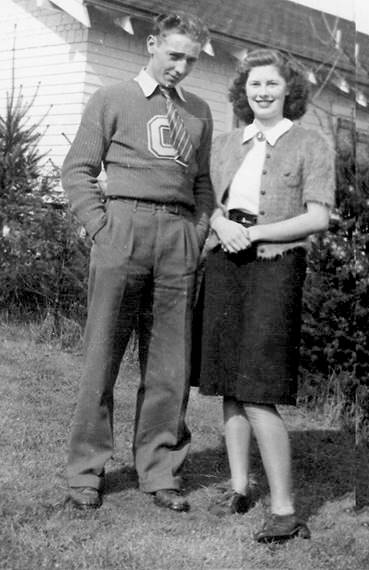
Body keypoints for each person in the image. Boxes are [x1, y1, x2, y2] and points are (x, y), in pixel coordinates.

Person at [61, 11, 213, 512]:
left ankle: (160, 471)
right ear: (151, 44)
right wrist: (101, 226)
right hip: (122, 229)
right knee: (101, 357)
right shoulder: (111, 98)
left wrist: (198, 230)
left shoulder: (199, 113)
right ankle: (86, 472)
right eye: (174, 55)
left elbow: (203, 183)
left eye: (190, 60)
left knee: (170, 365)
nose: (181, 67)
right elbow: (79, 170)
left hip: (178, 238)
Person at [198, 48, 335, 541]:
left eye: (271, 85)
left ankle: (284, 510)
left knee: (258, 389)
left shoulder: (311, 144)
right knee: (229, 384)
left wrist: (253, 234)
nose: (262, 92)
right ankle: (238, 488)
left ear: (288, 90)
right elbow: (206, 200)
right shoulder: (228, 142)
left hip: (275, 266)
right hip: (223, 261)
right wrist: (220, 223)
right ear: (244, 91)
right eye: (254, 85)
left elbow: (317, 217)